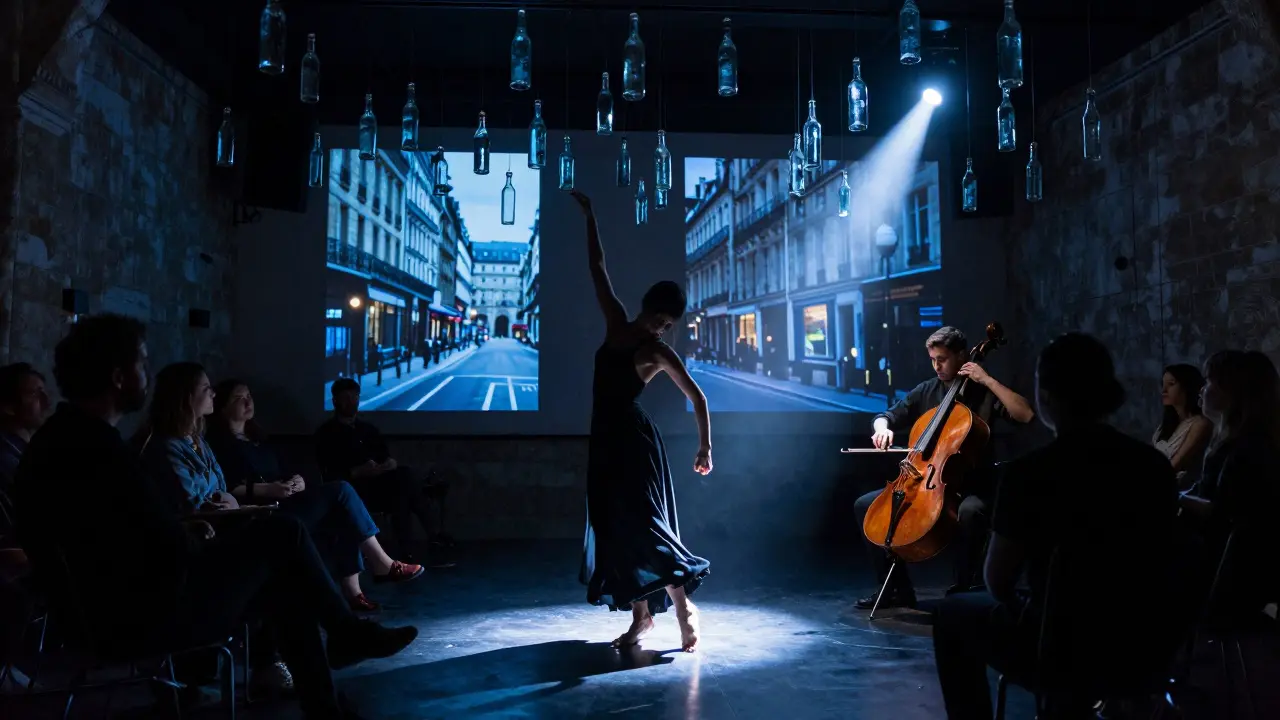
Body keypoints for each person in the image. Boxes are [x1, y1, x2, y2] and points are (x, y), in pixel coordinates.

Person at [14, 314, 418, 719]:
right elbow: (159, 545)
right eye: (142, 362)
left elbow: (126, 533)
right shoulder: (98, 452)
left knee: (286, 575)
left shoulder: (62, 443)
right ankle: (343, 642)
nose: (147, 374)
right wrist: (198, 534)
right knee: (284, 533)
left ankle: (331, 690)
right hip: (139, 615)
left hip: (110, 611)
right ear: (119, 377)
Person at [933, 333, 1180, 718]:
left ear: (1046, 394)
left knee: (951, 615)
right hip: (1143, 644)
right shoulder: (1153, 467)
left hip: (1059, 646)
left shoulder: (1028, 475)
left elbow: (998, 581)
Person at [140, 365, 423, 614]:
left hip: (258, 509)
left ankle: (355, 595)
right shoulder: (193, 444)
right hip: (238, 521)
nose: (212, 393)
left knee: (343, 508)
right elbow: (204, 497)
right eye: (207, 389)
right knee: (340, 492)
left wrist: (295, 481)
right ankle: (375, 574)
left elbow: (224, 486)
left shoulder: (209, 441)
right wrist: (260, 492)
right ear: (187, 397)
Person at [569, 190, 712, 654]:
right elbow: (597, 269)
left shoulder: (657, 351)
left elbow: (698, 396)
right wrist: (590, 215)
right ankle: (641, 618)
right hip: (605, 442)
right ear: (647, 308)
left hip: (632, 442)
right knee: (613, 528)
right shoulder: (616, 324)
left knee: (644, 524)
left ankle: (682, 603)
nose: (662, 328)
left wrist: (705, 447)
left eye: (668, 325)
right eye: (660, 319)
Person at [853, 326, 1035, 609]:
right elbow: (886, 416)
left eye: (943, 359)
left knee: (970, 512)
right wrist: (882, 429)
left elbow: (1025, 415)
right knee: (867, 506)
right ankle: (896, 589)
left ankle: (965, 588)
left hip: (973, 484)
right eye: (933, 359)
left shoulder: (983, 392)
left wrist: (987, 380)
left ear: (962, 355)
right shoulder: (927, 390)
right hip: (928, 483)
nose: (937, 366)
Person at [1179, 350, 1280, 621]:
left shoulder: (1246, 449)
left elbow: (1221, 514)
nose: (1201, 390)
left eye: (1209, 381)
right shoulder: (1239, 443)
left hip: (1228, 575)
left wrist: (1171, 497)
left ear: (1233, 392)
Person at [316, 378, 453, 564]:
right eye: (345, 398)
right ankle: (431, 538)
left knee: (402, 483)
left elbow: (386, 457)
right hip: (353, 490)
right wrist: (358, 471)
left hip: (381, 484)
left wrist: (388, 464)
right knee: (403, 490)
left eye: (355, 397)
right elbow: (329, 473)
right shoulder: (326, 433)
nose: (351, 402)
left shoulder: (368, 429)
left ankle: (410, 551)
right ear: (335, 402)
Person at [1153, 363, 1212, 489]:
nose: (1164, 390)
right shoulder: (1165, 426)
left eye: (1171, 384)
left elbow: (1175, 465)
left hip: (1182, 492)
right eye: (1163, 385)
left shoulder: (1200, 423)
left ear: (1187, 387)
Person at [0, 363, 49, 494]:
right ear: (8, 407)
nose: (46, 401)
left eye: (44, 392)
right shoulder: (8, 460)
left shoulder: (30, 451)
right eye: (34, 394)